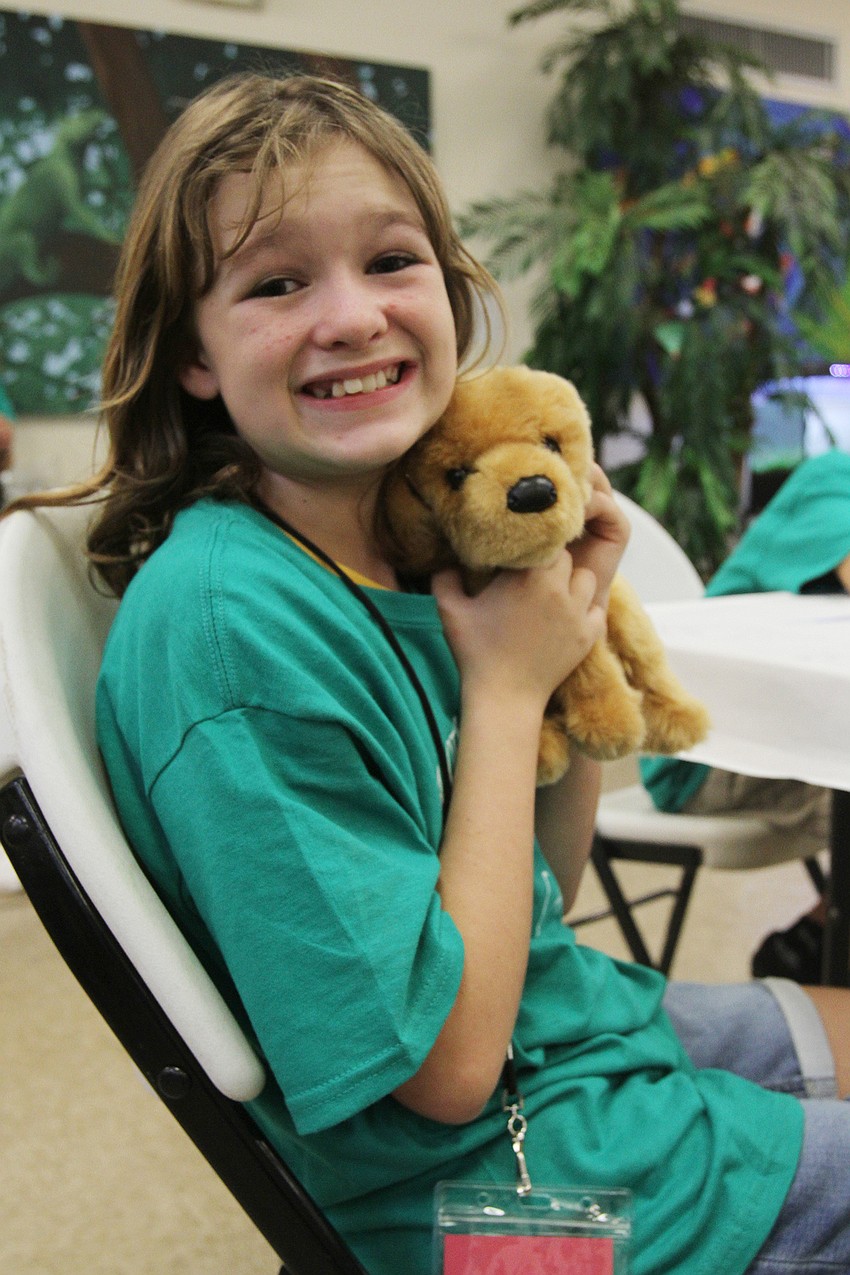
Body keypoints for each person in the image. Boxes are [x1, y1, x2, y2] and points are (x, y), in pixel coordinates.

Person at [10, 72, 850, 1275]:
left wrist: (557, 657)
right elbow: (449, 1076)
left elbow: (533, 895)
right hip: (492, 1175)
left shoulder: (399, 553)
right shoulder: (235, 631)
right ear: (191, 356)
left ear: (449, 297)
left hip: (562, 1034)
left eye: (391, 261)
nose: (351, 316)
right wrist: (504, 696)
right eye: (277, 282)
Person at [641, 450, 850, 983]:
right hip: (706, 753)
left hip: (806, 741)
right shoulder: (833, 480)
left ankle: (818, 939)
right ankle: (819, 946)